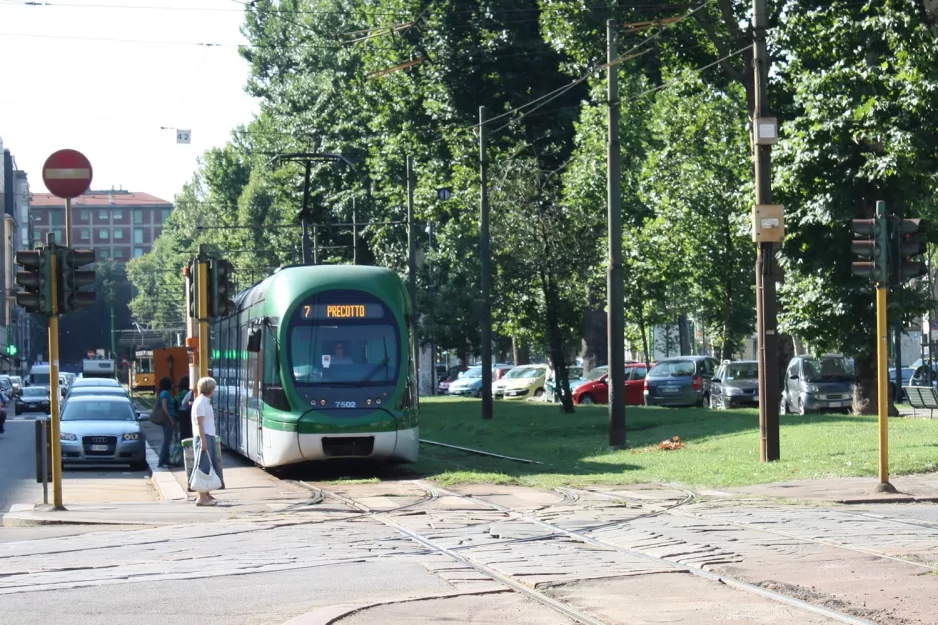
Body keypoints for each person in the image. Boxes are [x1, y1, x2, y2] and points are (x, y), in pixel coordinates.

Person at [191, 376, 222, 506]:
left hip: (208, 435)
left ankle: (206, 494)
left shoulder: (204, 401)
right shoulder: (201, 403)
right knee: (203, 466)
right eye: (213, 387)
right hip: (204, 436)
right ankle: (201, 497)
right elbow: (200, 423)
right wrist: (203, 441)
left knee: (208, 464)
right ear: (209, 389)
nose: (215, 390)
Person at [156, 377, 177, 468]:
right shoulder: (164, 394)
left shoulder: (166, 393)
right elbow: (165, 407)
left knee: (168, 440)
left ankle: (166, 460)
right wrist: (170, 419)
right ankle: (161, 461)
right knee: (166, 440)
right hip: (168, 420)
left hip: (170, 418)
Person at [175, 376, 193, 440]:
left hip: (181, 414)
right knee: (187, 434)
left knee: (183, 434)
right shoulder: (186, 392)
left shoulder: (181, 393)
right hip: (186, 415)